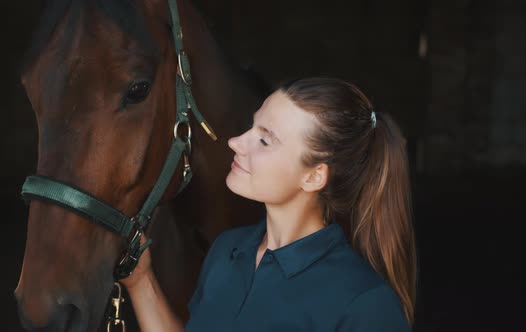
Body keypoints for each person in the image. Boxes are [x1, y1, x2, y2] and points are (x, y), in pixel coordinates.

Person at [120, 77, 417, 331]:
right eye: (252, 126)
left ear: (314, 177)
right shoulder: (228, 251)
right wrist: (141, 280)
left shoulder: (364, 303)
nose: (236, 142)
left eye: (265, 141)